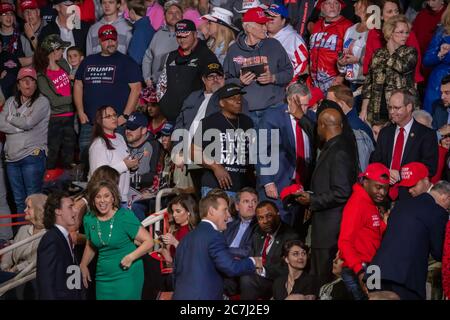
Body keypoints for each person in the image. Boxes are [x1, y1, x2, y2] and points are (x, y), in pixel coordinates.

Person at [296, 107, 358, 286]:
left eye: (317, 126)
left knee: (323, 281)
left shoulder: (339, 152)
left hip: (330, 231)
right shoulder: (337, 145)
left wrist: (312, 200)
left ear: (322, 125)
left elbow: (342, 192)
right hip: (327, 227)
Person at [368, 181, 450, 300]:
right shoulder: (438, 212)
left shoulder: (401, 205)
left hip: (376, 272)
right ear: (446, 197)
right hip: (405, 278)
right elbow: (439, 252)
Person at [173, 193, 261, 300]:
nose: (228, 215)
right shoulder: (214, 236)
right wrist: (253, 261)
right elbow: (231, 268)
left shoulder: (186, 239)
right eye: (225, 210)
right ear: (211, 211)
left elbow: (176, 274)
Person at [74, 24, 142, 155]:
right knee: (86, 157)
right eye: (106, 40)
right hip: (90, 123)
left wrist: (125, 116)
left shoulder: (127, 62)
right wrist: (80, 112)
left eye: (113, 39)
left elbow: (136, 89)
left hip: (115, 123)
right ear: (99, 41)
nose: (110, 43)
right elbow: (78, 84)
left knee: (116, 158)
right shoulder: (88, 61)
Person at [80, 180, 154, 300]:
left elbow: (149, 241)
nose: (102, 200)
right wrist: (83, 264)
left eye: (106, 196)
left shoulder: (124, 217)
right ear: (93, 200)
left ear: (113, 198)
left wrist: (131, 257)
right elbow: (91, 244)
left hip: (127, 274)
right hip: (103, 277)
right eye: (98, 197)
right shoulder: (89, 219)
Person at [223, 7, 293, 129]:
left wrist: (273, 78)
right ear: (249, 28)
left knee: (273, 147)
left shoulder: (274, 45)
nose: (265, 28)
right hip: (246, 111)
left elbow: (289, 72)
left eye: (265, 23)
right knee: (250, 147)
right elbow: (226, 80)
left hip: (273, 109)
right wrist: (239, 82)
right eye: (261, 24)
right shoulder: (234, 50)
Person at [258, 82, 315, 227]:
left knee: (297, 229)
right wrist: (268, 181)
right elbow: (261, 149)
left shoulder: (311, 117)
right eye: (300, 104)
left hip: (303, 183)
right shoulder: (272, 116)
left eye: (306, 105)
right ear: (289, 100)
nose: (304, 109)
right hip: (278, 181)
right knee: (277, 226)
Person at [370, 89, 439, 199]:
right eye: (390, 107)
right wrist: (386, 172)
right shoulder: (385, 133)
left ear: (409, 107)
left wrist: (403, 174)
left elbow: (430, 167)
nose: (392, 112)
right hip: (385, 193)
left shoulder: (426, 134)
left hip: (411, 195)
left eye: (397, 108)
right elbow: (376, 161)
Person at [0, 67, 50, 216]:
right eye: (24, 80)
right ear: (18, 84)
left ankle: (35, 235)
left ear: (36, 84)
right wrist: (18, 127)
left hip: (32, 156)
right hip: (11, 159)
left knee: (33, 200)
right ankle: (24, 234)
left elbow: (28, 123)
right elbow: (1, 123)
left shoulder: (42, 102)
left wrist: (10, 118)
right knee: (19, 201)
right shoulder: (10, 101)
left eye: (31, 80)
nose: (28, 83)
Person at [337, 163, 390, 300]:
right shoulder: (357, 204)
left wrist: (384, 225)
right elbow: (344, 242)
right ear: (365, 182)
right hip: (360, 268)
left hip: (370, 267)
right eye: (378, 187)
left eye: (385, 188)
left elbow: (371, 232)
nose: (382, 193)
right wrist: (360, 271)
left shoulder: (370, 202)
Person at [173, 62, 226, 197]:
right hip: (187, 157)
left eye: (219, 76)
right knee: (186, 200)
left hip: (211, 158)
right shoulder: (192, 98)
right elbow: (179, 125)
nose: (215, 79)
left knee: (208, 199)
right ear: (203, 79)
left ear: (224, 78)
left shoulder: (228, 98)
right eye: (211, 76)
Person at [192, 83, 254, 198]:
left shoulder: (247, 122)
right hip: (215, 188)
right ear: (222, 103)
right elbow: (193, 152)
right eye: (232, 98)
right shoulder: (209, 122)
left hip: (242, 189)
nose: (238, 101)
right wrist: (216, 167)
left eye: (239, 98)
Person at [157, 18, 220, 121]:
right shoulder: (171, 56)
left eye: (186, 36)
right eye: (179, 36)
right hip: (170, 116)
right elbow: (162, 82)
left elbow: (215, 85)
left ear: (195, 34)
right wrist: (163, 103)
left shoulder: (206, 55)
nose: (182, 40)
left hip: (195, 116)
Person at [361, 15, 418, 123]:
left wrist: (392, 51)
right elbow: (369, 83)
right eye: (401, 32)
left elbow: (402, 67)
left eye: (406, 32)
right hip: (377, 108)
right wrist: (364, 110)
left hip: (400, 109)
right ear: (390, 33)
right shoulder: (378, 53)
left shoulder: (410, 52)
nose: (405, 36)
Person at [239, 200, 299, 300]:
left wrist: (263, 270)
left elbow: (289, 270)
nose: (265, 221)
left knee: (247, 279)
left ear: (278, 214)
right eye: (260, 218)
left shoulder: (290, 237)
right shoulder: (258, 232)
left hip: (276, 282)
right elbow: (252, 255)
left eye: (269, 216)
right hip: (256, 276)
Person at [34, 34, 75, 176]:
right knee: (52, 153)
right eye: (60, 49)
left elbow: (71, 83)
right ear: (52, 51)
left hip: (71, 117)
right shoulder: (41, 75)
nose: (62, 51)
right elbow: (54, 101)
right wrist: (76, 98)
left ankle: (67, 185)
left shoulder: (63, 64)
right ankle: (49, 185)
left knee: (69, 155)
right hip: (55, 119)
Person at [362, 0, 423, 85]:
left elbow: (416, 60)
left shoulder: (408, 32)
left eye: (396, 11)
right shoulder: (374, 33)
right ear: (381, 16)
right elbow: (368, 62)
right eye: (389, 12)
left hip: (404, 83)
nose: (394, 15)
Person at [36, 191, 83, 300]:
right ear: (58, 211)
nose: (75, 211)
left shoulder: (65, 237)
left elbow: (72, 274)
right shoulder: (50, 240)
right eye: (70, 207)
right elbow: (46, 284)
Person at [89, 105, 140, 205]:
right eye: (108, 116)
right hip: (108, 200)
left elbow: (124, 165)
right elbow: (99, 176)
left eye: (114, 115)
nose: (113, 118)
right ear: (100, 121)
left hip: (123, 197)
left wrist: (132, 167)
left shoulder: (120, 137)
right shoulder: (98, 144)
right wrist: (125, 165)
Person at [0, 194, 47, 286]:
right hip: (11, 273)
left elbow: (34, 262)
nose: (25, 210)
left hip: (28, 279)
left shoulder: (48, 235)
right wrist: (4, 266)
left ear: (39, 210)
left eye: (29, 207)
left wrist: (14, 269)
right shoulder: (23, 229)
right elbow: (11, 251)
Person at [327, 84, 374, 171]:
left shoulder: (355, 129)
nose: (326, 107)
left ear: (341, 104)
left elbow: (362, 166)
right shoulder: (347, 124)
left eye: (329, 103)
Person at [309, 0, 352, 93]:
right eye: (328, 3)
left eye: (336, 3)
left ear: (340, 7)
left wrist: (342, 76)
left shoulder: (348, 26)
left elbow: (351, 55)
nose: (332, 6)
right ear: (322, 7)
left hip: (334, 81)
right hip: (314, 82)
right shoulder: (317, 25)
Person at [337, 0, 373, 111]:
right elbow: (344, 57)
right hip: (350, 83)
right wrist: (341, 63)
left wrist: (358, 60)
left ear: (367, 4)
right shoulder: (351, 29)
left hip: (365, 85)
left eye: (357, 2)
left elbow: (377, 59)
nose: (354, 5)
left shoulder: (374, 30)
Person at [142, 0, 183, 87]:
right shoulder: (158, 34)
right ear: (164, 16)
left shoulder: (189, 34)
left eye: (177, 12)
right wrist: (147, 78)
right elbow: (147, 57)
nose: (174, 15)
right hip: (158, 85)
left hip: (180, 85)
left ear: (182, 16)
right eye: (170, 13)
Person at [265, 3, 308, 82]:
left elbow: (301, 64)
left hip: (285, 86)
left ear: (283, 21)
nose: (269, 19)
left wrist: (287, 80)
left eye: (273, 16)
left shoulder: (293, 38)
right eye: (268, 15)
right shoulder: (261, 35)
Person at [423, 5, 450, 113]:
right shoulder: (443, 31)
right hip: (439, 83)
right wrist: (440, 54)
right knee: (433, 124)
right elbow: (426, 60)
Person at [126, 0, 155, 66]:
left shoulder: (140, 30)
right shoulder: (146, 26)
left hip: (137, 70)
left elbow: (135, 58)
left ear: (132, 12)